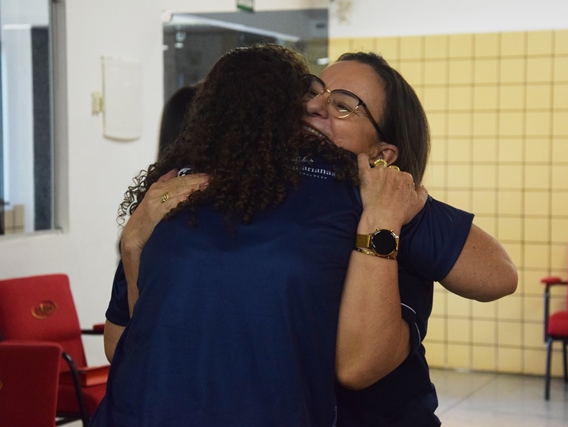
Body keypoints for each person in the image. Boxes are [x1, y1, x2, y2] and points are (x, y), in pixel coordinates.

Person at [104, 49, 517, 425]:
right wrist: (133, 245)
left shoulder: (380, 199)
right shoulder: (212, 191)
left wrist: (385, 219)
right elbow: (125, 344)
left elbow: (498, 275)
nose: (316, 107)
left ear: (383, 155)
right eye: (313, 93)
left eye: (343, 106)